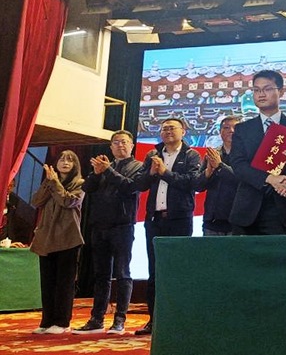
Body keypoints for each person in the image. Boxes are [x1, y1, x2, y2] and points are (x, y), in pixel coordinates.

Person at [134, 116, 202, 336]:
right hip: (154, 220)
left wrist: (165, 173)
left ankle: (178, 320)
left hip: (179, 219)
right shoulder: (152, 154)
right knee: (154, 271)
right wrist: (151, 173)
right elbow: (140, 184)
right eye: (164, 129)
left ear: (183, 131)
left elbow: (192, 183)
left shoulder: (191, 155)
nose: (168, 132)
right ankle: (154, 320)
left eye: (172, 128)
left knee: (178, 270)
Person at [73, 130, 143, 335]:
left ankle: (120, 319)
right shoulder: (103, 166)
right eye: (116, 142)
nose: (120, 145)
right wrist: (96, 173)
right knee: (101, 275)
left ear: (132, 145)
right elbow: (87, 188)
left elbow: (130, 187)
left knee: (122, 273)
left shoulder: (138, 166)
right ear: (111, 147)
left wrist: (108, 171)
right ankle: (97, 318)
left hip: (123, 226)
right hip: (99, 225)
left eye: (124, 142)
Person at [230, 70, 286, 234]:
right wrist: (270, 179)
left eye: (267, 89)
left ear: (281, 92)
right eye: (256, 90)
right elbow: (238, 165)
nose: (261, 94)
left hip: (281, 206)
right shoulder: (242, 129)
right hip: (247, 208)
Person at [30, 151, 84, 335]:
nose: (65, 162)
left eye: (70, 160)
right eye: (62, 159)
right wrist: (48, 182)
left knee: (64, 282)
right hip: (46, 238)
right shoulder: (50, 181)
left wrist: (54, 183)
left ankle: (62, 322)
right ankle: (47, 321)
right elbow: (36, 201)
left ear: (75, 165)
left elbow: (68, 201)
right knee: (47, 282)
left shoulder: (80, 183)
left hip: (68, 238)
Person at [196, 116, 239, 236]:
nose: (231, 131)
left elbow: (243, 180)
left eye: (235, 128)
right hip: (212, 220)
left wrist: (220, 166)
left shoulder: (248, 155)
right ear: (220, 132)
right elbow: (198, 186)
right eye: (226, 128)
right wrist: (207, 173)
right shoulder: (212, 154)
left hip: (238, 219)